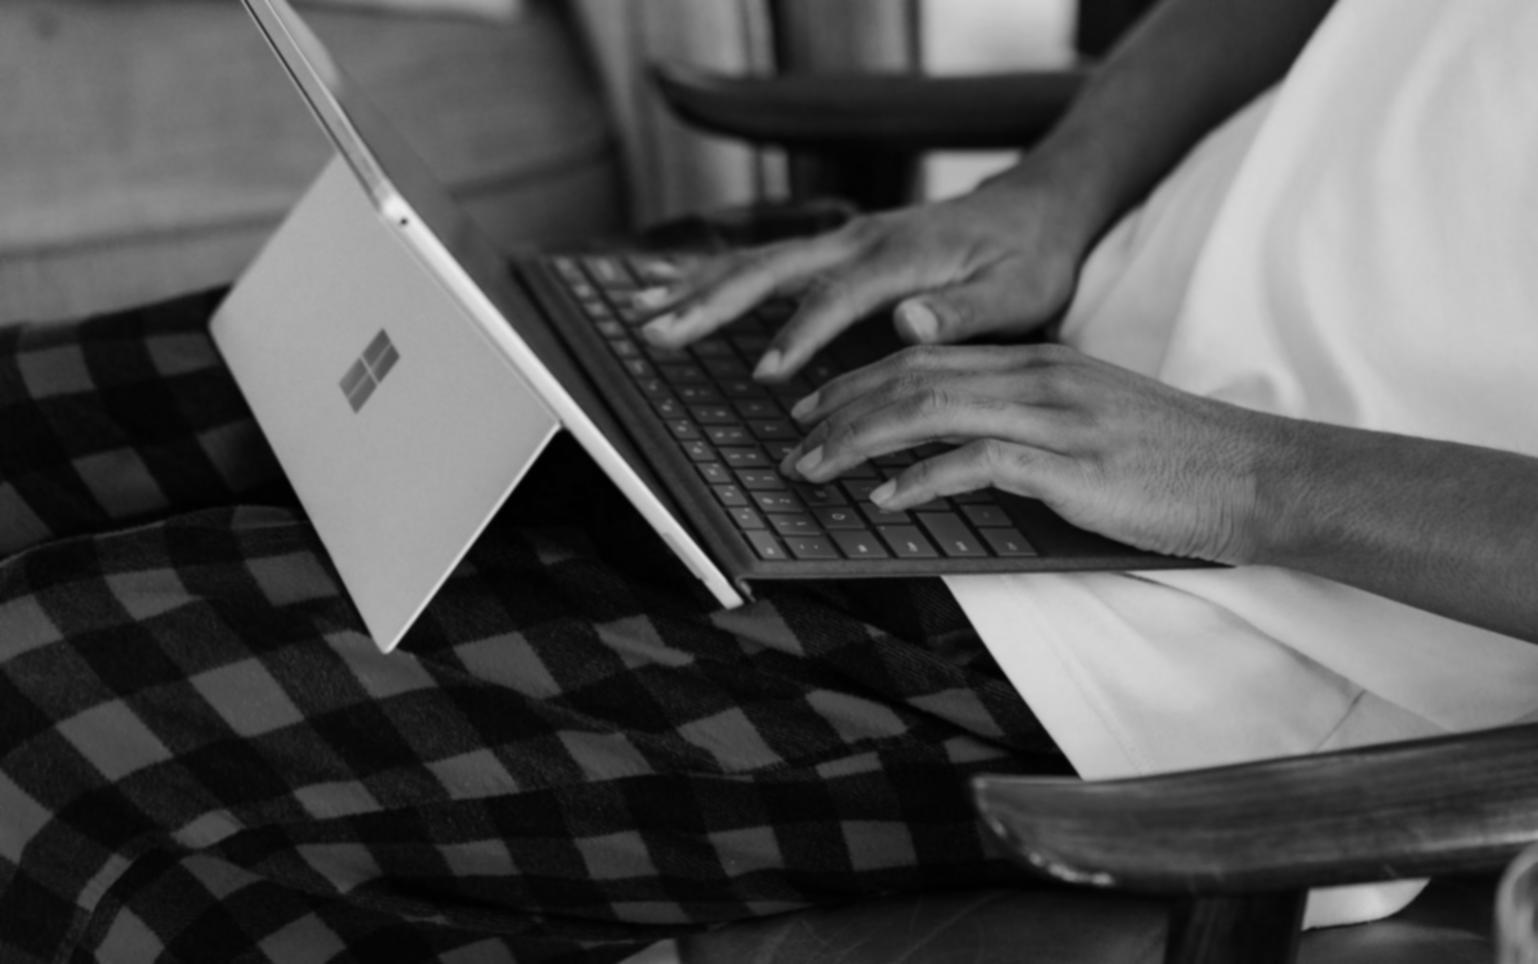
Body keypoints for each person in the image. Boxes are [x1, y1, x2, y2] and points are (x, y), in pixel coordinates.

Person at [1, 0, 1534, 961]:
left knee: (40, 705)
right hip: (986, 333)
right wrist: (1050, 194)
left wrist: (1255, 474)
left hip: (1209, 619)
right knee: (38, 425)